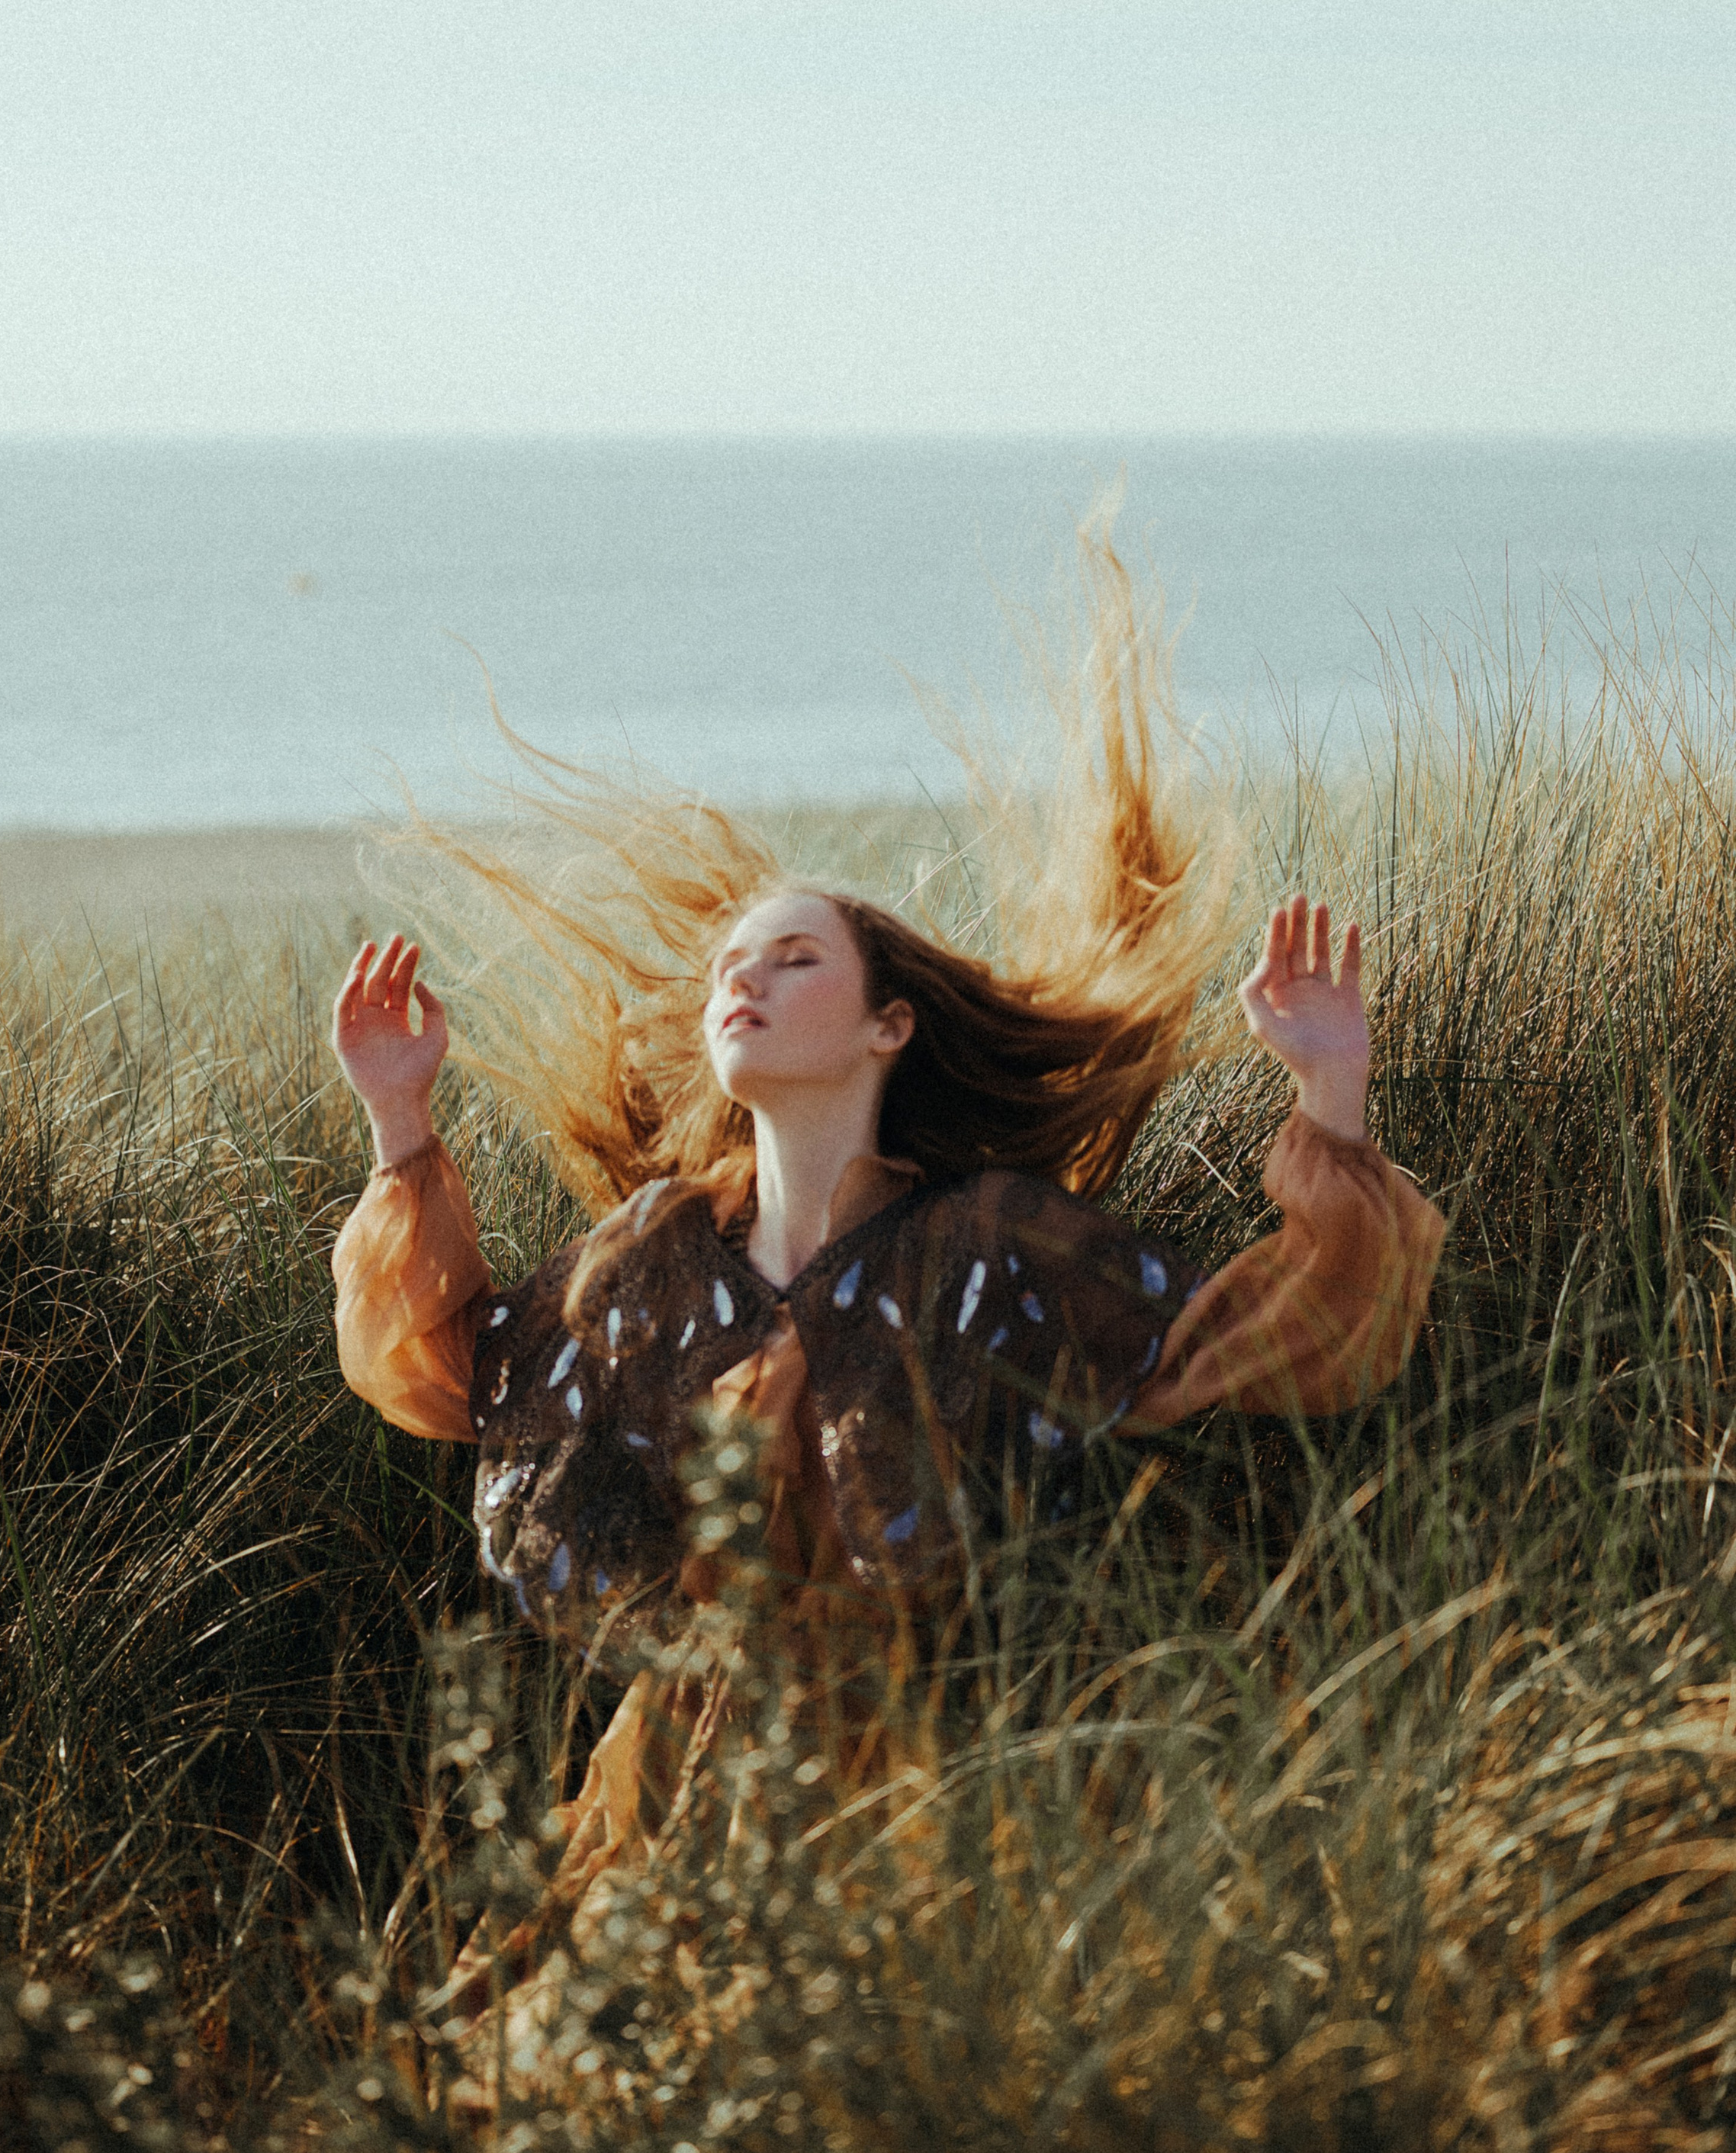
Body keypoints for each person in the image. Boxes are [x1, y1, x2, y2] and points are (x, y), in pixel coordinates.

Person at [328, 548, 1446, 1989]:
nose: (745, 980)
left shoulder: (983, 1245)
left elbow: (1279, 1339)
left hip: (931, 1791)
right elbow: (445, 1371)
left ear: (888, 1029)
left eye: (793, 961)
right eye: (733, 965)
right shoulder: (658, 1261)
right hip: (667, 1794)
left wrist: (1332, 1094)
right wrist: (399, 1119)